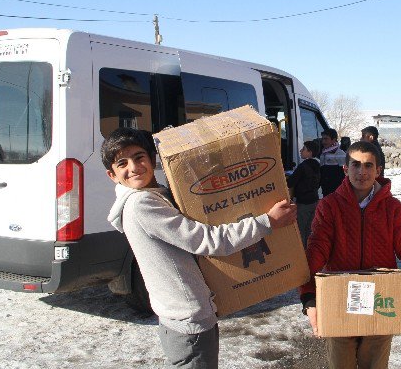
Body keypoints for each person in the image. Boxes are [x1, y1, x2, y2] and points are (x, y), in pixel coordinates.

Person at [101, 127, 296, 368]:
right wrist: (266, 222)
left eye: (139, 157)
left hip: (187, 316)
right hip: (187, 322)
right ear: (112, 174)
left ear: (152, 159)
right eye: (123, 163)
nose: (134, 167)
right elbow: (207, 240)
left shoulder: (155, 195)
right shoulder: (142, 204)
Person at [299, 140, 401, 369]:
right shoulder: (330, 206)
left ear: (378, 170)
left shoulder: (392, 208)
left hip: (381, 301)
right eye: (355, 165)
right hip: (340, 299)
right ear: (345, 169)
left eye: (368, 165)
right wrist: (309, 297)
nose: (361, 171)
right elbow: (316, 251)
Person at [287, 140, 321, 247]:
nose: (301, 151)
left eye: (304, 149)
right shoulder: (318, 165)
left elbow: (290, 182)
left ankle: (301, 255)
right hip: (314, 201)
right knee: (309, 229)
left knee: (300, 229)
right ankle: (308, 252)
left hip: (303, 203)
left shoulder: (303, 166)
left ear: (310, 153)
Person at [319, 128, 346, 197]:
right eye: (322, 139)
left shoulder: (340, 153)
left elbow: (345, 173)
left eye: (326, 139)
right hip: (325, 189)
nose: (323, 141)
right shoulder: (323, 152)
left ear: (333, 140)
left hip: (336, 190)